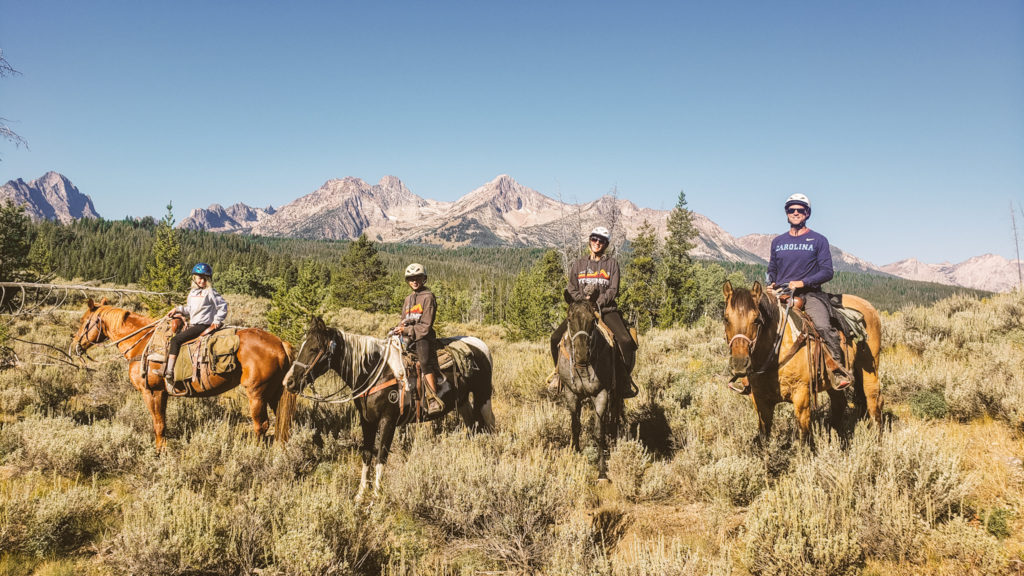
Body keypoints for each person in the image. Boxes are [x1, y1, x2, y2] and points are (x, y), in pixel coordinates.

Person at [766, 194, 852, 390]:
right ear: (787, 214)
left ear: (807, 213)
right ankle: (748, 374)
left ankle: (838, 371)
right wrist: (771, 281)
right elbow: (772, 267)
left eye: (800, 210)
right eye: (791, 210)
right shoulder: (778, 242)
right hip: (781, 293)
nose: (795, 213)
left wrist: (803, 282)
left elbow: (827, 271)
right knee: (755, 322)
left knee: (822, 326)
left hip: (809, 294)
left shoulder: (818, 240)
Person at [550, 227, 638, 399]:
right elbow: (571, 287)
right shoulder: (579, 264)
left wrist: (598, 303)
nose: (597, 243)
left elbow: (613, 289)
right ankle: (558, 375)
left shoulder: (611, 264)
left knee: (626, 341)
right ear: (590, 240)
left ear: (606, 244)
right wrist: (582, 302)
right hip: (581, 312)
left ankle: (623, 380)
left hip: (605, 311)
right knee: (555, 339)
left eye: (601, 241)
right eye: (594, 239)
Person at [163, 262, 228, 395]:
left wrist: (216, 321)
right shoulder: (193, 293)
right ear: (194, 278)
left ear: (208, 279)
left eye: (205, 278)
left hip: (202, 325)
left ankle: (169, 372)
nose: (202, 280)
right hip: (194, 324)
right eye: (199, 277)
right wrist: (177, 309)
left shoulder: (210, 292)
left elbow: (223, 306)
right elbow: (190, 309)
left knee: (176, 341)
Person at [393, 262, 442, 411]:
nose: (414, 281)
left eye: (418, 278)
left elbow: (426, 326)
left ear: (424, 279)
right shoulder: (408, 299)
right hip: (408, 336)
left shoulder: (428, 297)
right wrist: (399, 328)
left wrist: (407, 331)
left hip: (423, 337)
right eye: (411, 278)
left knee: (425, 361)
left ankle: (433, 398)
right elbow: (404, 319)